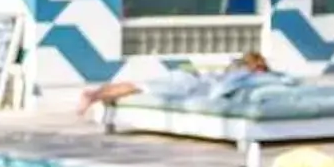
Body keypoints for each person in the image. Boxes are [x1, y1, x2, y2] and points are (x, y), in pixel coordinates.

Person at [79, 50, 269, 117]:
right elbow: (220, 88)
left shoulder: (235, 70)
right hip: (187, 84)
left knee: (137, 85)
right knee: (136, 87)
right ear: (257, 66)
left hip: (187, 78)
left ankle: (94, 93)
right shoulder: (243, 75)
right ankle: (94, 96)